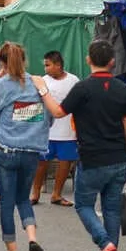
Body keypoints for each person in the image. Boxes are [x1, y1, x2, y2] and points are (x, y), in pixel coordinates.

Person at [34, 39, 126, 251]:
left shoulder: (82, 88)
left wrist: (42, 90)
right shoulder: (123, 89)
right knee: (111, 209)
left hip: (92, 158)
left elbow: (58, 112)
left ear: (88, 59)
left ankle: (104, 243)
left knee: (83, 205)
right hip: (120, 158)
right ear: (112, 62)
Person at [0, 42, 49, 251]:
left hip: (7, 151)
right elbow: (47, 116)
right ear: (24, 59)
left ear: (2, 62)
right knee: (24, 198)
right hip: (31, 152)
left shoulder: (2, 85)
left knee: (7, 204)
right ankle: (32, 238)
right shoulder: (37, 83)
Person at [30, 51, 79, 207]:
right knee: (41, 162)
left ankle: (56, 194)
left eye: (48, 65)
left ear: (58, 65)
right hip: (46, 132)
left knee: (65, 163)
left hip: (67, 132)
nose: (45, 68)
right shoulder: (42, 82)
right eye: (45, 65)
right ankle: (35, 193)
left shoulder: (74, 81)